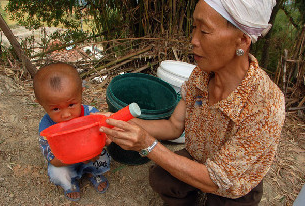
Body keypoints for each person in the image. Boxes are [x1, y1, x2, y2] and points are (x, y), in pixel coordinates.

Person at [99, 0, 285, 205]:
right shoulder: (201, 76)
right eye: (194, 27)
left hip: (230, 181)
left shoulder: (266, 104)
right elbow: (174, 126)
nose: (193, 40)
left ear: (242, 40)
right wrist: (118, 124)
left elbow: (217, 180)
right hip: (200, 157)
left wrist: (148, 145)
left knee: (223, 195)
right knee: (161, 179)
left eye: (204, 31)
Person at [33, 62, 110, 201]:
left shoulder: (91, 114)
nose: (66, 114)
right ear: (41, 103)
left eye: (71, 105)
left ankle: (93, 173)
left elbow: (104, 135)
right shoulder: (46, 128)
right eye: (56, 109)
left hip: (91, 155)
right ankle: (70, 182)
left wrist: (98, 149)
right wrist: (76, 158)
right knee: (56, 172)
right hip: (64, 161)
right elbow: (53, 159)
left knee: (103, 156)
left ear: (81, 92)